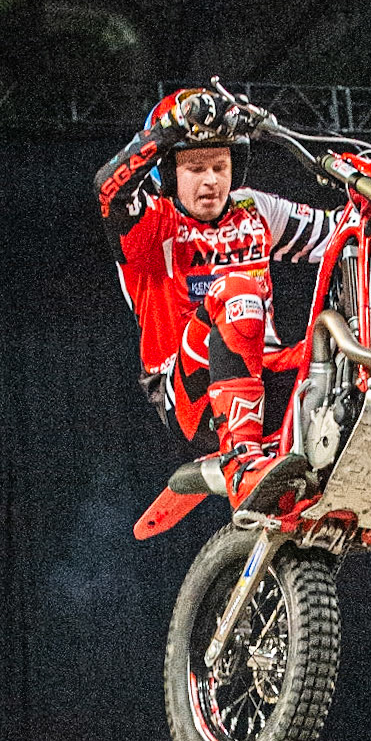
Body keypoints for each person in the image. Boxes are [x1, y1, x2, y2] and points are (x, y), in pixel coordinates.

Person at [93, 86, 337, 514]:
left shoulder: (254, 209)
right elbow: (109, 191)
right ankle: (241, 465)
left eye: (220, 166)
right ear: (169, 173)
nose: (211, 180)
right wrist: (170, 129)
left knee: (345, 336)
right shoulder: (150, 224)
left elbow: (339, 231)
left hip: (269, 376)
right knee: (235, 288)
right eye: (195, 167)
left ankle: (356, 481)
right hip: (188, 397)